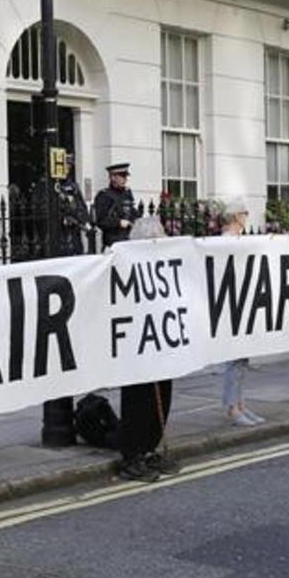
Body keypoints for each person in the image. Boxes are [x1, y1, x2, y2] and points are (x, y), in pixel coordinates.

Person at [114, 214, 181, 482]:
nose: (163, 240)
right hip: (137, 344)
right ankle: (132, 455)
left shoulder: (163, 261)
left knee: (162, 396)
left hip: (159, 339)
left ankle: (150, 447)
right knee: (138, 400)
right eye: (159, 236)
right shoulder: (123, 261)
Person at [219, 200, 266, 426]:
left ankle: (240, 404)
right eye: (245, 214)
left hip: (244, 303)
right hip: (230, 306)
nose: (247, 218)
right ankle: (232, 408)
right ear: (237, 216)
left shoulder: (240, 240)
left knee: (242, 359)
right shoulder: (225, 241)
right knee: (233, 359)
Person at [93, 162, 141, 249]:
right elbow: (101, 221)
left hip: (129, 241)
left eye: (126, 177)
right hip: (113, 243)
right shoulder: (104, 195)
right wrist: (118, 223)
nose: (125, 180)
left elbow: (132, 212)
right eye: (122, 176)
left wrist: (139, 219)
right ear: (112, 177)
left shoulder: (127, 193)